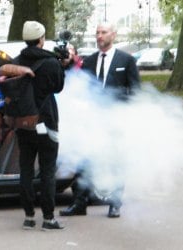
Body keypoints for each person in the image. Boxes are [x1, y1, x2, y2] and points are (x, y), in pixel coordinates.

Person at [59, 22, 140, 218]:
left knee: (114, 161)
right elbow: (80, 88)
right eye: (97, 33)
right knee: (84, 160)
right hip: (91, 121)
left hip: (115, 120)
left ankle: (114, 203)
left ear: (113, 34)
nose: (99, 36)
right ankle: (80, 203)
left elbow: (136, 92)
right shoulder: (89, 61)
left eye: (103, 32)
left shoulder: (126, 60)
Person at [0, 21, 67, 231]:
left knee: (26, 170)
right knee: (47, 171)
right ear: (41, 39)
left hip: (23, 123)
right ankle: (48, 219)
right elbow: (59, 87)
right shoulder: (50, 62)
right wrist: (62, 64)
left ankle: (29, 217)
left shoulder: (17, 61)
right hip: (46, 123)